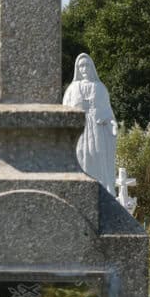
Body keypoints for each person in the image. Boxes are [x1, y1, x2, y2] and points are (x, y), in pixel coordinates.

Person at [63, 53, 117, 195]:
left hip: (96, 131)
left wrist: (112, 123)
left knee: (97, 156)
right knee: (80, 156)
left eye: (87, 65)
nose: (84, 68)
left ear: (91, 67)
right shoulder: (72, 89)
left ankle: (102, 192)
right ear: (77, 68)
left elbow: (107, 111)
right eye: (81, 66)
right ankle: (80, 191)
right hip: (79, 130)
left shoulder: (100, 88)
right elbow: (65, 111)